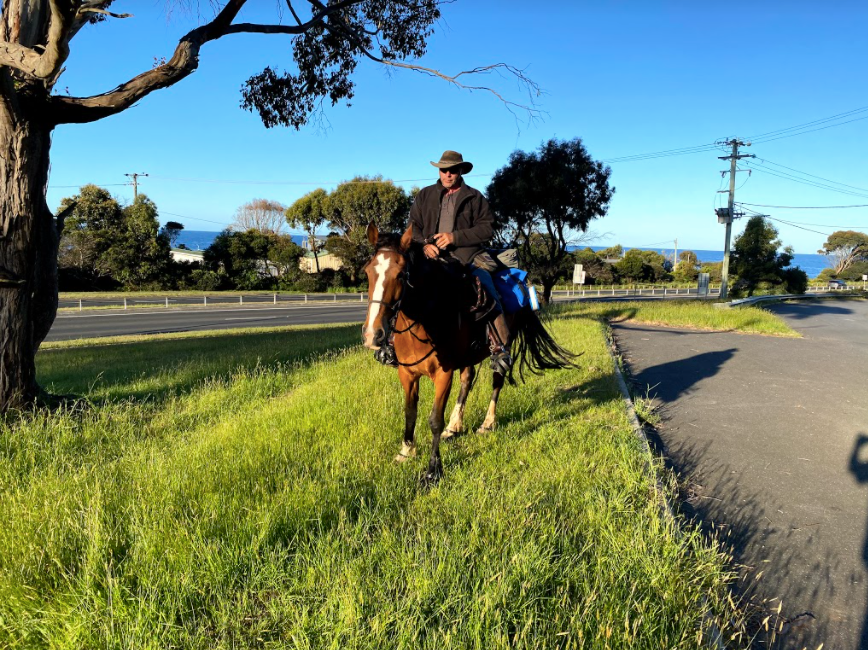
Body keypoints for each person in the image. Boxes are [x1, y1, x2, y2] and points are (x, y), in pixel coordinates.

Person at [408, 150, 512, 374]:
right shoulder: (424, 195)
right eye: (443, 170)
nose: (447, 174)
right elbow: (413, 226)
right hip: (430, 257)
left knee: (485, 286)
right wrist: (425, 244)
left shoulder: (475, 197)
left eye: (452, 170)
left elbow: (488, 228)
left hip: (466, 257)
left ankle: (499, 346)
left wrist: (454, 237)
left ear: (461, 171)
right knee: (403, 286)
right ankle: (389, 343)